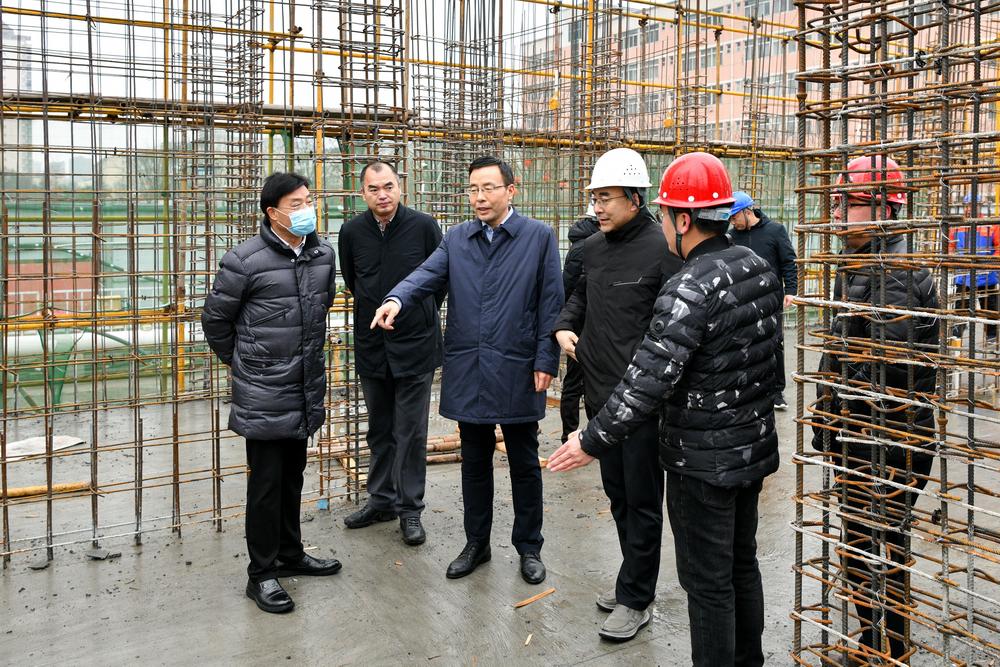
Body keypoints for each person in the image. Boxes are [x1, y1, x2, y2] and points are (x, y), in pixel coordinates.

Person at [549, 152, 782, 666]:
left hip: (701, 454)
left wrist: (589, 440)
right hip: (750, 444)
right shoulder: (757, 268)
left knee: (708, 582)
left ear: (681, 220)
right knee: (741, 564)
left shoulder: (690, 283)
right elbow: (771, 366)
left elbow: (653, 376)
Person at [371, 155, 563, 584]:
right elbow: (425, 275)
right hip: (470, 365)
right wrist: (396, 299)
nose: (479, 197)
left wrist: (546, 358)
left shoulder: (538, 237)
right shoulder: (457, 238)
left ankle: (529, 547)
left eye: (488, 188)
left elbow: (552, 302)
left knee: (524, 461)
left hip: (517, 365)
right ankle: (476, 543)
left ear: (511, 190)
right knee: (474, 460)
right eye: (473, 189)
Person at [812, 155, 938, 661]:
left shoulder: (896, 274)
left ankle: (884, 647)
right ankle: (882, 643)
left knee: (874, 544)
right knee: (871, 540)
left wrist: (835, 409)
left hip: (888, 438)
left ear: (885, 209)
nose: (838, 212)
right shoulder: (861, 264)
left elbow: (886, 371)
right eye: (837, 202)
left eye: (850, 203)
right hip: (865, 436)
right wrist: (826, 410)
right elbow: (841, 349)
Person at [552, 148, 681, 642]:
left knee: (643, 500)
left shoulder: (662, 249)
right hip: (600, 395)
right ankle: (633, 579)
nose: (598, 208)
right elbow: (580, 296)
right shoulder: (593, 248)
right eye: (594, 198)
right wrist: (564, 326)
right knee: (619, 496)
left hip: (643, 403)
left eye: (606, 198)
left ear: (634, 198)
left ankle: (636, 597)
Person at [202, 172, 342, 614]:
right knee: (265, 484)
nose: (306, 210)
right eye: (296, 204)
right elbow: (215, 321)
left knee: (292, 475)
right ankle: (261, 574)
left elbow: (320, 309)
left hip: (302, 386)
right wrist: (243, 363)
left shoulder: (322, 254)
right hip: (263, 391)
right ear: (273, 213)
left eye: (308, 200)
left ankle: (290, 553)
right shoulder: (245, 260)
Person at [338, 161, 445, 546]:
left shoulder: (424, 227)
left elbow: (439, 281)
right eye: (373, 189)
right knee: (380, 428)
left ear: (400, 187)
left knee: (411, 431)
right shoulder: (352, 232)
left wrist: (416, 313)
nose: (382, 195)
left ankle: (409, 508)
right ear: (362, 193)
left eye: (388, 186)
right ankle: (381, 500)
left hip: (415, 344)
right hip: (372, 345)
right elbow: (353, 280)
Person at [728, 191, 797, 409]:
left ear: (747, 212)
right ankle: (747, 390)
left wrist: (791, 290)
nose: (732, 222)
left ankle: (776, 392)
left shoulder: (775, 231)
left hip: (770, 300)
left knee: (774, 343)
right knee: (742, 343)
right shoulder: (730, 237)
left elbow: (788, 262)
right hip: (742, 301)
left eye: (734, 217)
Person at [559, 203, 599, 442]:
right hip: (583, 323)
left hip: (580, 321)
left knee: (576, 381)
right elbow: (570, 289)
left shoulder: (580, 244)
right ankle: (573, 435)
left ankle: (572, 434)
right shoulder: (589, 247)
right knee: (580, 381)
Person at [949, 193, 999, 341]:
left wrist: (990, 264)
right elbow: (950, 247)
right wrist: (953, 260)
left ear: (980, 207)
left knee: (990, 308)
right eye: (967, 206)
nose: (970, 209)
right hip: (964, 276)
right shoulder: (958, 226)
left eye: (973, 205)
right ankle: (956, 336)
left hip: (987, 276)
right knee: (961, 308)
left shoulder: (992, 225)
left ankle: (991, 337)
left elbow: (998, 248)